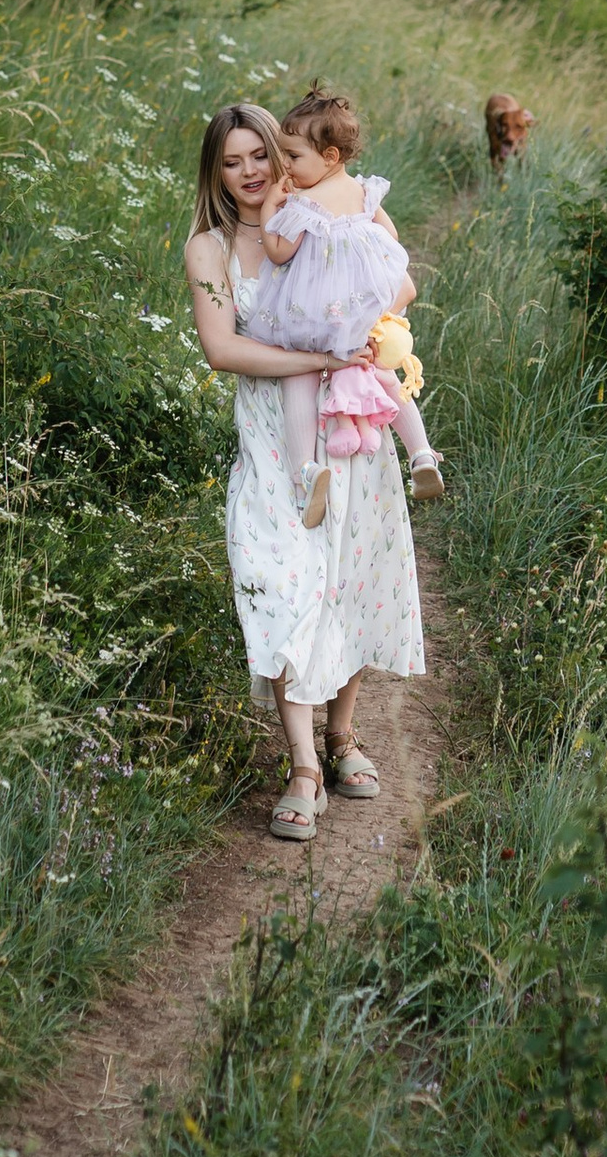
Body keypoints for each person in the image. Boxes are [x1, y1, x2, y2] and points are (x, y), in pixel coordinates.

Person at [182, 99, 428, 844]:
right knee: (284, 587)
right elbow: (224, 351)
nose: (254, 172)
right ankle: (302, 769)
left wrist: (351, 316)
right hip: (274, 443)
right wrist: (320, 352)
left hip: (350, 427)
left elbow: (404, 282)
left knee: (347, 580)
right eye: (234, 161)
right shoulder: (211, 248)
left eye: (263, 155)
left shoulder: (331, 210)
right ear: (216, 172)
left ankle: (342, 737)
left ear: (285, 154)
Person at [250, 87, 445, 525]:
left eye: (293, 157)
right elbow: (391, 240)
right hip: (360, 311)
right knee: (381, 372)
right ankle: (420, 452)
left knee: (298, 375)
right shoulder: (361, 191)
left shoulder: (303, 204)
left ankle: (307, 470)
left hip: (313, 315)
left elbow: (279, 252)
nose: (285, 167)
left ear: (330, 156)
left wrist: (269, 209)